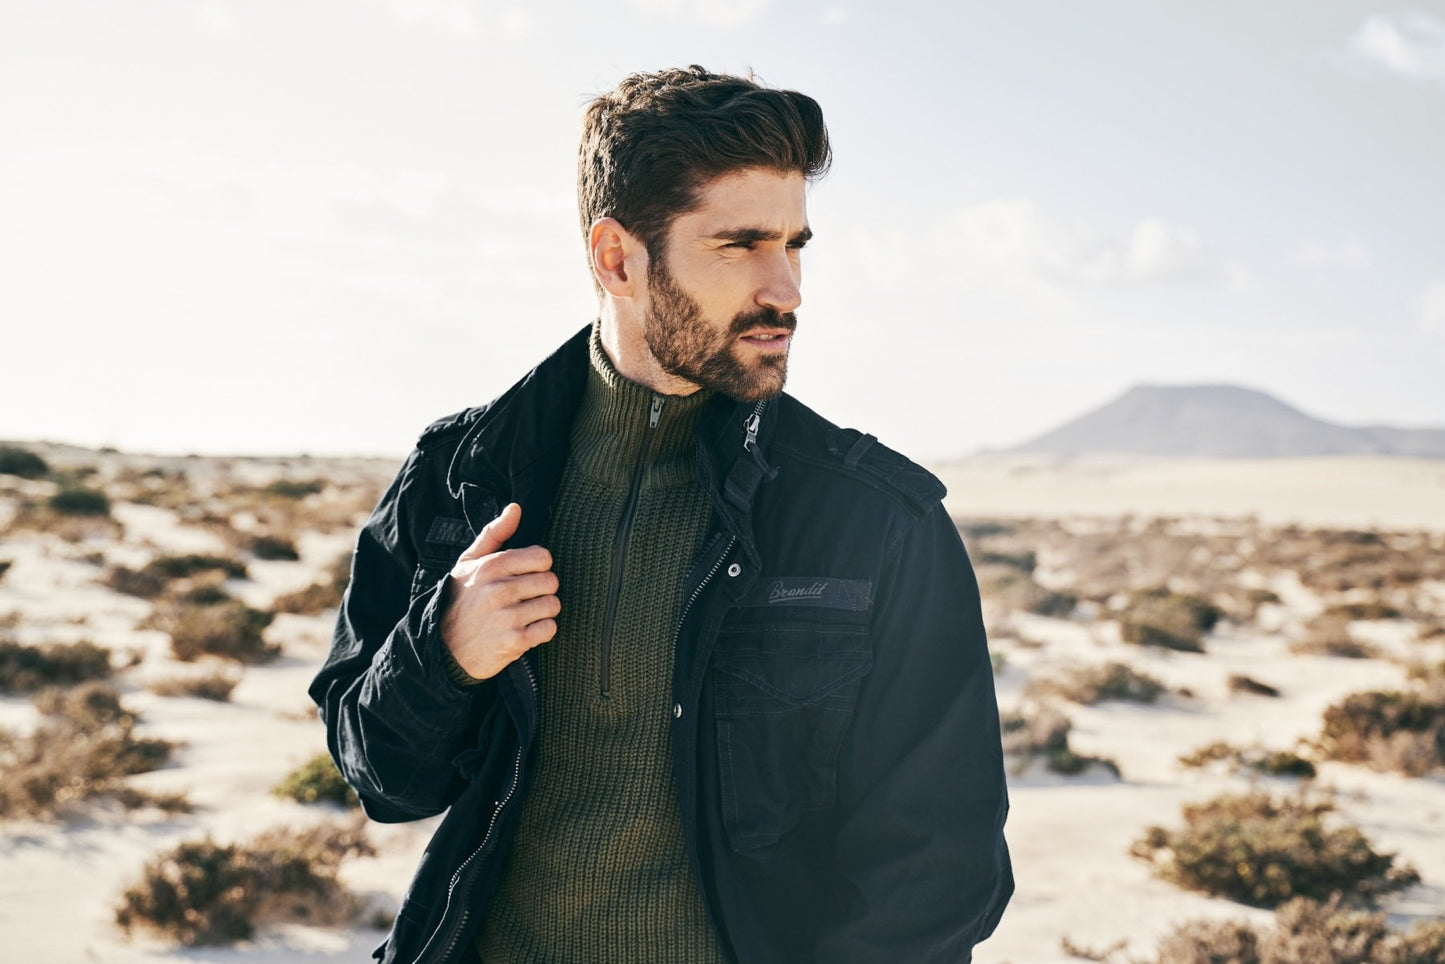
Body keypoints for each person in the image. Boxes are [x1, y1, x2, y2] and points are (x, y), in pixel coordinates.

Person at [310, 65, 1012, 964]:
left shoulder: (876, 522)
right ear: (617, 259)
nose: (786, 287)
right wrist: (442, 656)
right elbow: (383, 780)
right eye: (741, 245)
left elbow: (939, 871)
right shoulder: (457, 478)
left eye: (795, 243)